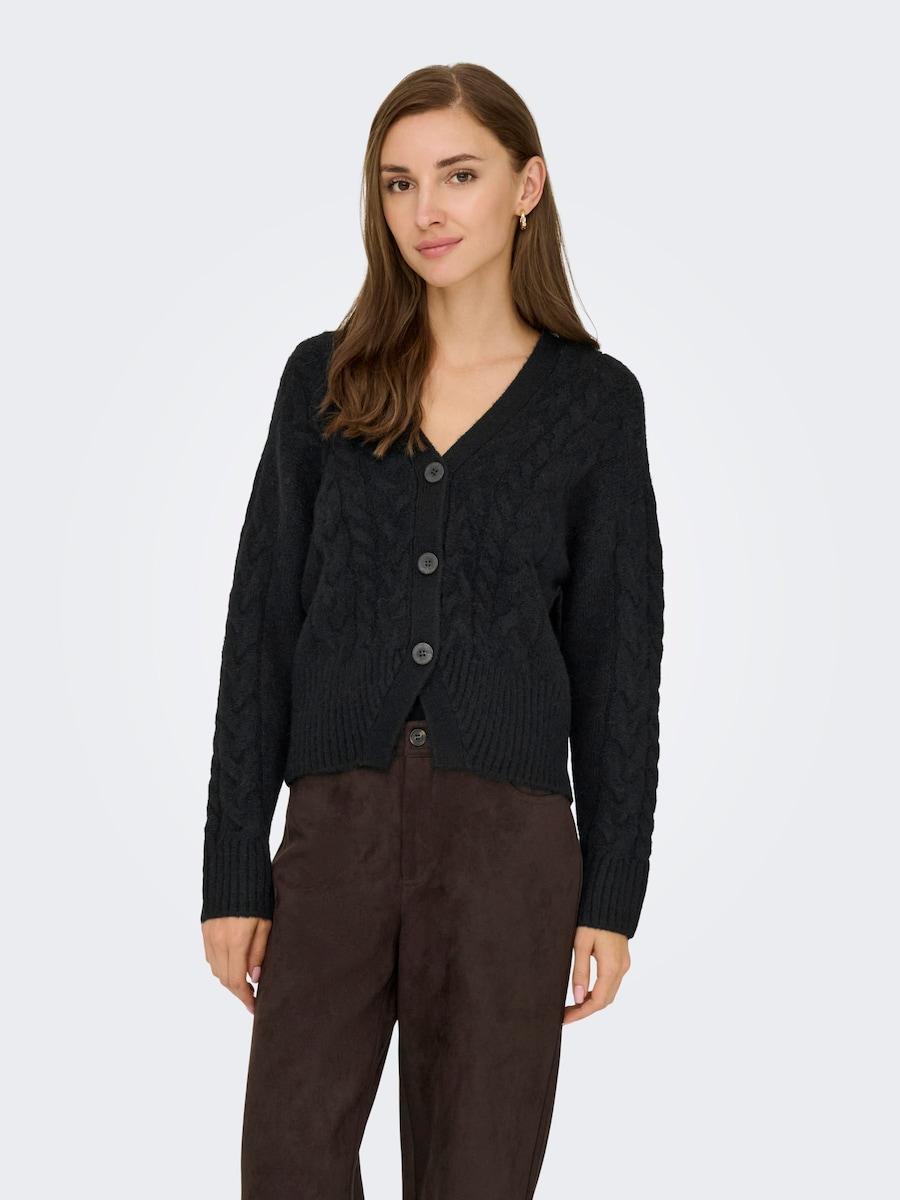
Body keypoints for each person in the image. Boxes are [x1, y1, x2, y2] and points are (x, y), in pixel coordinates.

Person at [200, 62, 664, 1200]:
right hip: (335, 832)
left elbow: (619, 660)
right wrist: (232, 869)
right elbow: (260, 629)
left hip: (510, 845)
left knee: (479, 1174)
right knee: (288, 1159)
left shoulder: (594, 403)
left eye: (460, 175)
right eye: (399, 182)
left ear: (526, 186)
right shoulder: (324, 380)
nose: (427, 210)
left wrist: (612, 894)